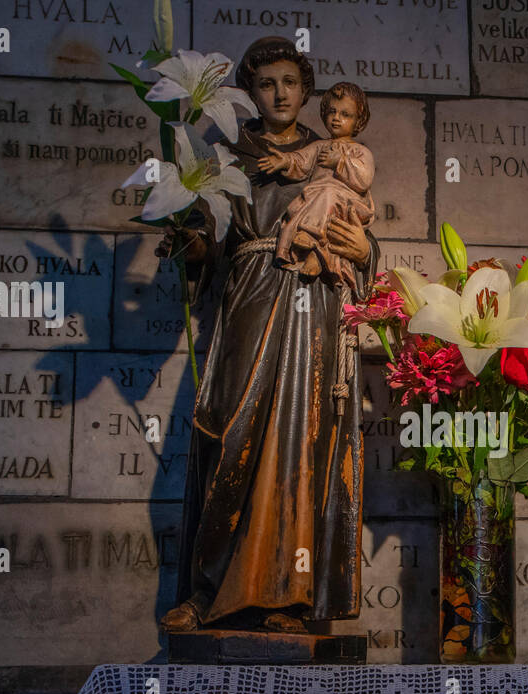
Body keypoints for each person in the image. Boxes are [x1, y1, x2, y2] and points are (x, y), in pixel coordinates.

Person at [156, 36, 379, 634]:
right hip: (252, 295)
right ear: (250, 92)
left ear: (306, 92)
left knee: (301, 443)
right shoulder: (231, 152)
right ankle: (207, 592)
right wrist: (189, 242)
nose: (279, 93)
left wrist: (366, 251)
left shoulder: (332, 151)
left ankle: (289, 598)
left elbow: (362, 228)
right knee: (233, 431)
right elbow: (208, 233)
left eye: (290, 83)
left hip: (316, 305)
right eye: (265, 83)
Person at [258, 82, 375, 294]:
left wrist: (339, 161)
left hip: (347, 205)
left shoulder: (360, 151)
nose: (337, 118)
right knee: (315, 198)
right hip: (320, 201)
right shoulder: (320, 146)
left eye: (345, 114)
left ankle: (312, 238)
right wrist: (284, 161)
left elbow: (364, 178)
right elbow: (301, 161)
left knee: (327, 194)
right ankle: (314, 255)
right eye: (332, 112)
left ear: (359, 120)